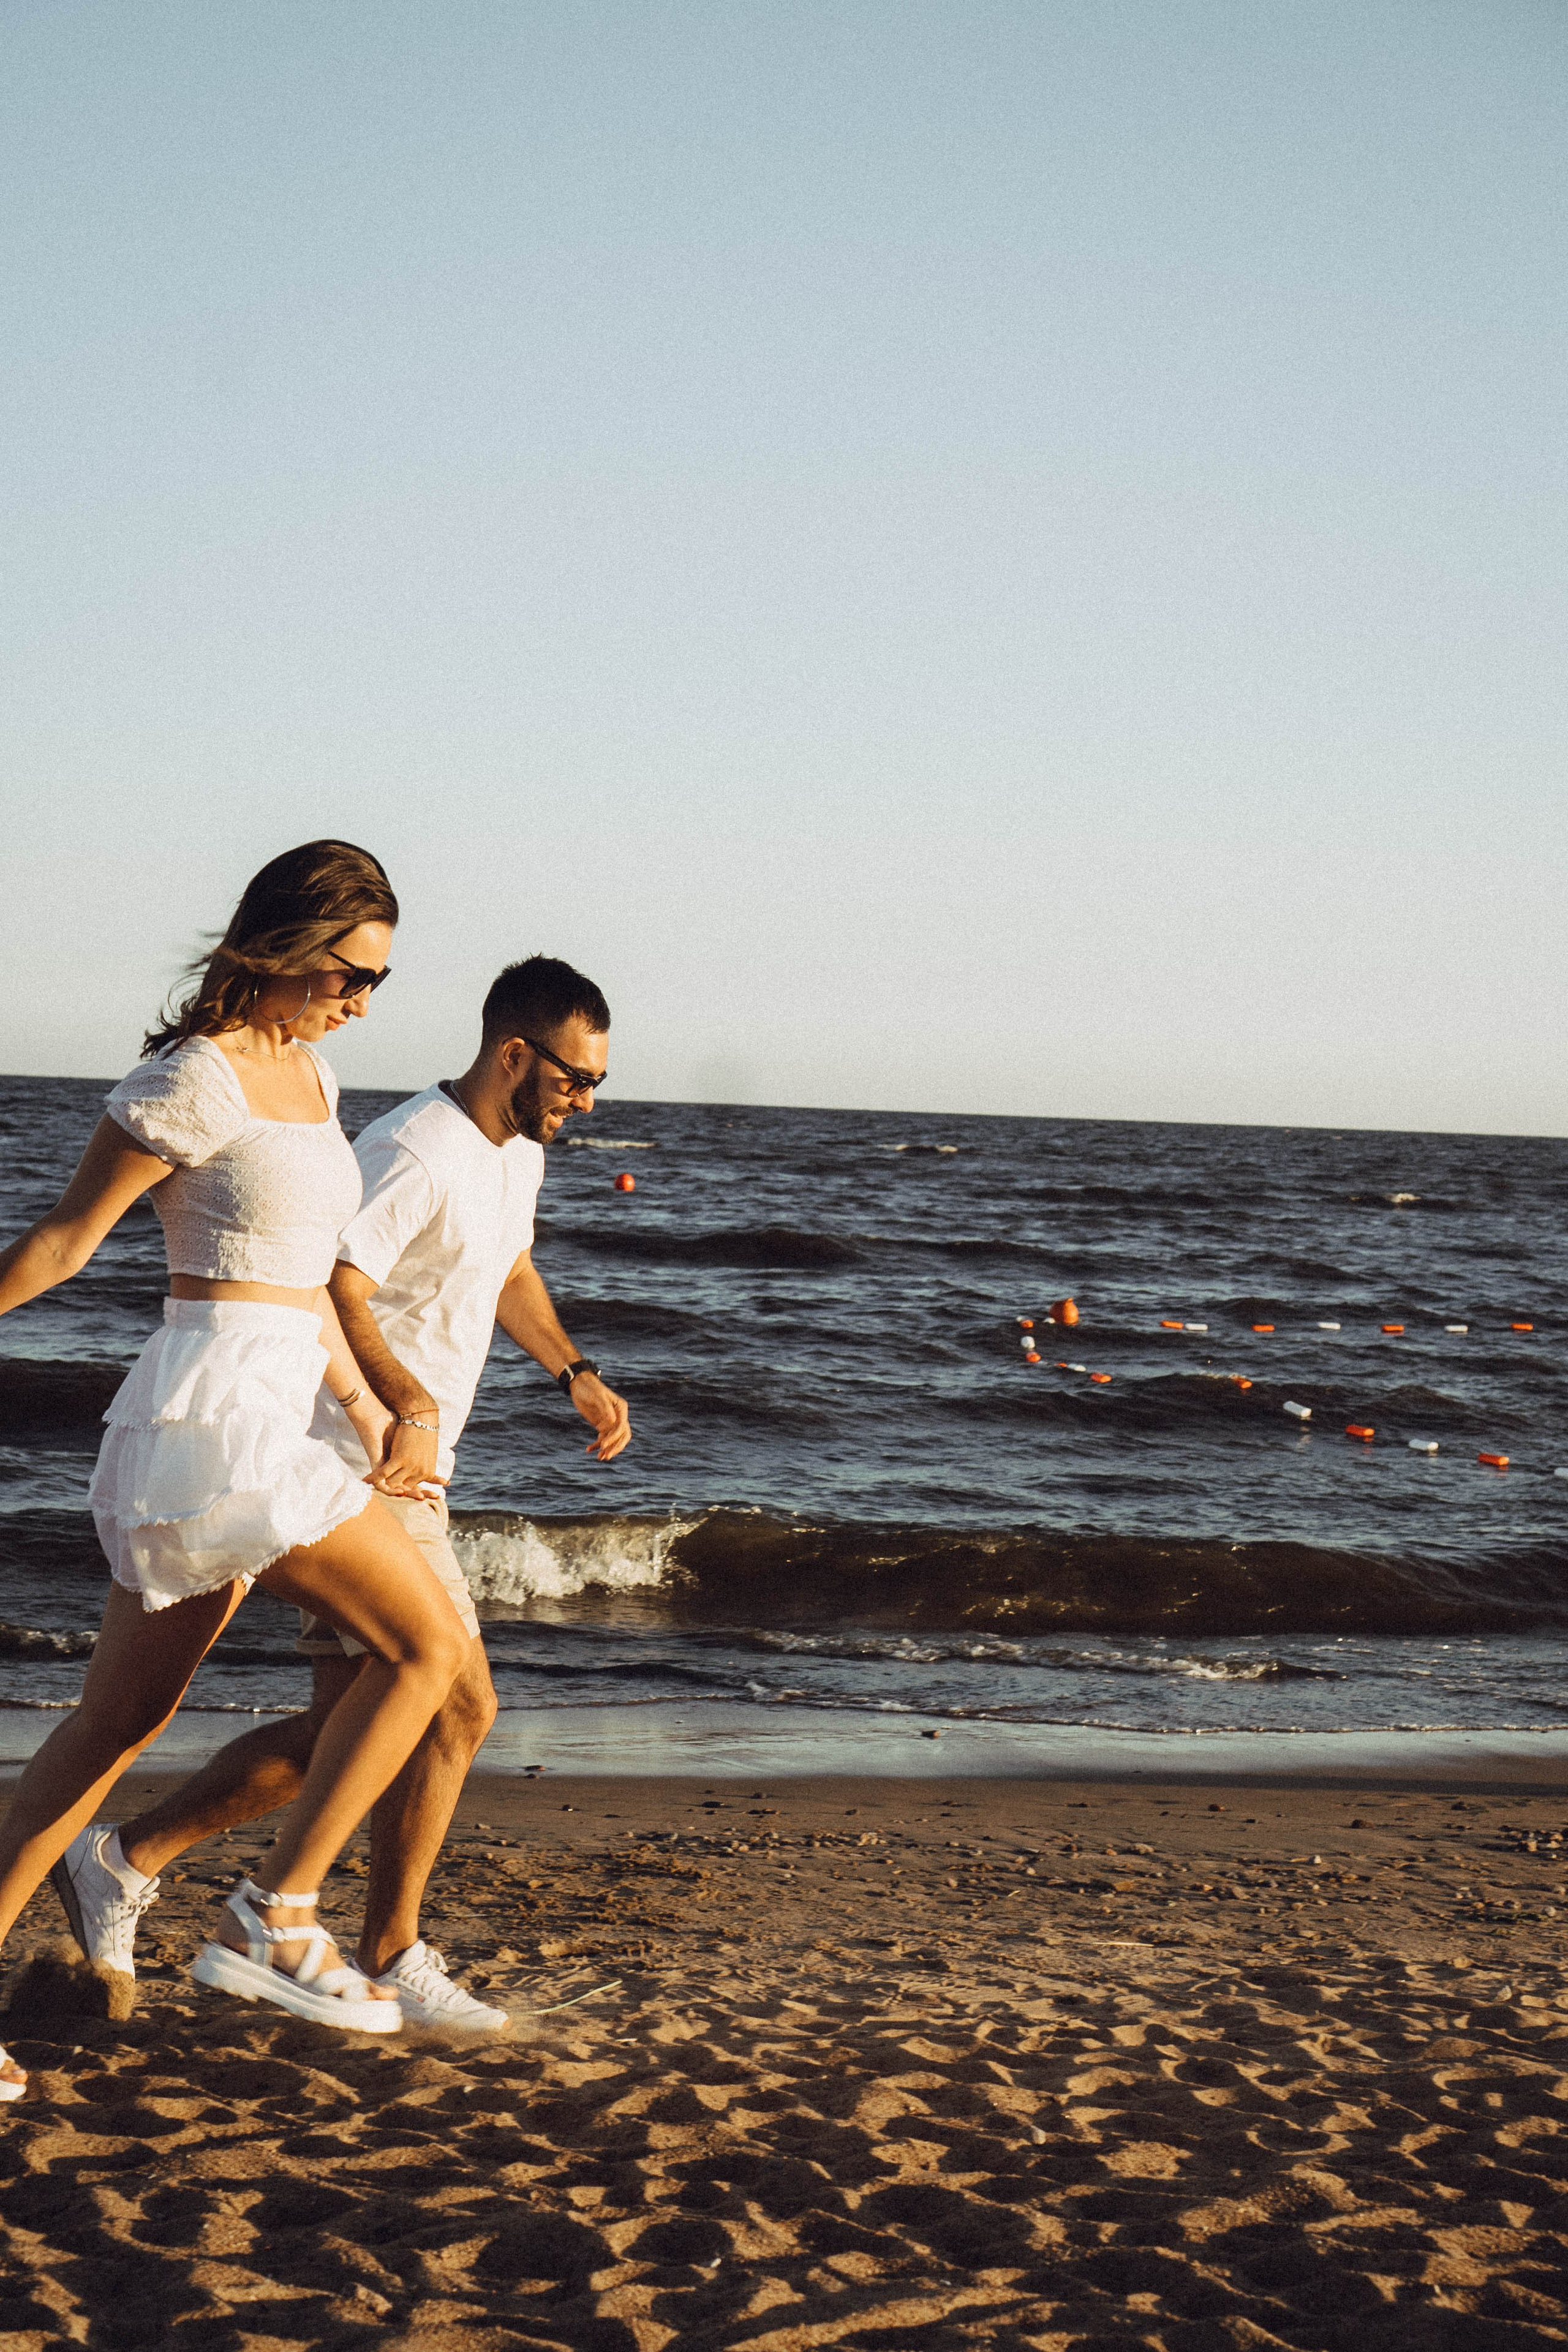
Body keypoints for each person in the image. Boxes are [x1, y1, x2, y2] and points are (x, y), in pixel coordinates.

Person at [49, 956, 630, 2035]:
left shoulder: (514, 1157)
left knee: (344, 1735)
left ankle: (127, 1857)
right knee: (452, 1695)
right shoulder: (416, 1146)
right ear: (517, 1053)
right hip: (344, 1461)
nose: (585, 1100)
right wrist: (392, 1403)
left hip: (410, 1464)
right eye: (576, 1078)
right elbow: (333, 1277)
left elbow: (507, 1270)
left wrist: (574, 1370)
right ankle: (363, 1940)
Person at [0, 842, 472, 2105]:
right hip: (214, 1412)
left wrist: (372, 1408)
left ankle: (257, 1904)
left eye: (376, 979)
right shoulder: (191, 1080)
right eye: (347, 971)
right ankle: (275, 1914)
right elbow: (63, 1238)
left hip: (285, 1408)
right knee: (418, 1652)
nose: (361, 998)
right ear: (279, 943)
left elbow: (310, 1279)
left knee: (123, 1721)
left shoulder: (312, 1076)